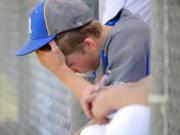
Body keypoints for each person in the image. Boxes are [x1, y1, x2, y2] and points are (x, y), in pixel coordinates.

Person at [16, 0, 150, 134]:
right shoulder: (108, 41)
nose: (73, 71)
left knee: (123, 121)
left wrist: (62, 72)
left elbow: (110, 110)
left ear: (89, 45)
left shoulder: (127, 38)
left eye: (70, 65)